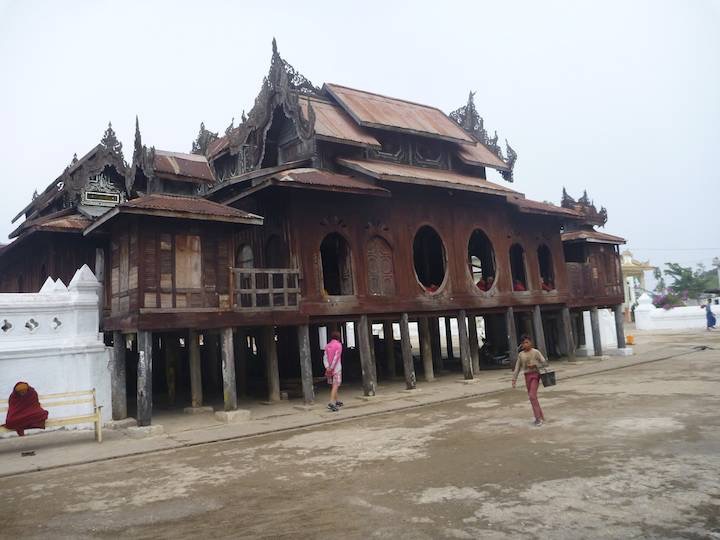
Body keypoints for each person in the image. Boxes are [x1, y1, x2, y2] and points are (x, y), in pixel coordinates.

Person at [511, 336, 548, 426]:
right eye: (524, 343)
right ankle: (541, 416)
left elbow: (545, 363)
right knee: (533, 397)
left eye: (527, 342)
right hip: (526, 376)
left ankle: (538, 418)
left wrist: (535, 365)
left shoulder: (536, 352)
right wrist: (514, 379)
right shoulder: (521, 355)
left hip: (535, 375)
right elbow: (517, 368)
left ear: (531, 343)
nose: (525, 344)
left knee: (532, 396)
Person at [323, 331, 344, 412]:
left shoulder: (327, 346)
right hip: (336, 369)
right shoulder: (338, 345)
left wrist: (327, 367)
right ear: (338, 337)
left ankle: (336, 400)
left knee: (334, 385)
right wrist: (332, 367)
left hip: (328, 369)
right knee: (336, 385)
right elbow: (336, 357)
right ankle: (331, 402)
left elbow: (324, 357)